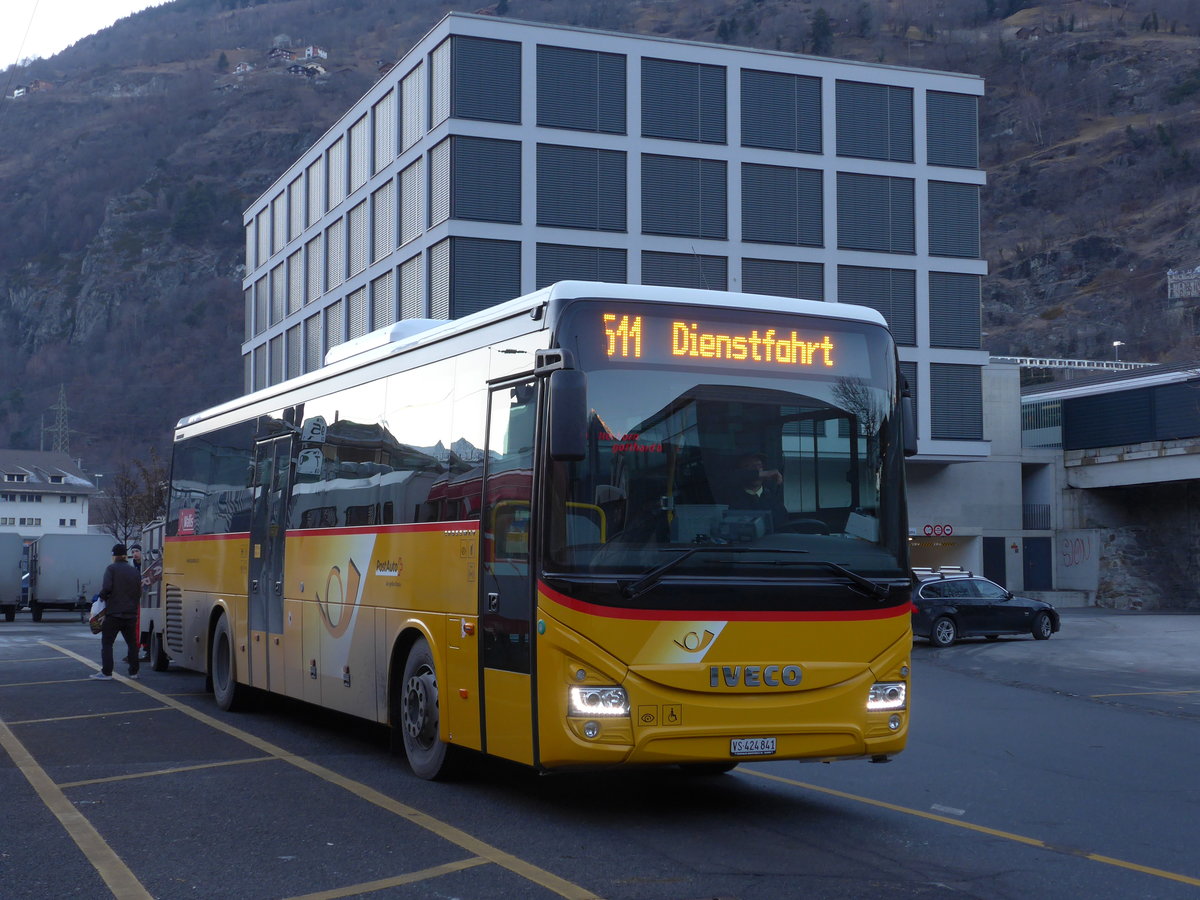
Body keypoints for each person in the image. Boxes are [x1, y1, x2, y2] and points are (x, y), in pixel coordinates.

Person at [90, 544, 141, 681]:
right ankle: (134, 672)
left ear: (114, 555)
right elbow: (139, 592)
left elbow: (107, 588)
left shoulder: (111, 569)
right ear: (125, 555)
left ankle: (107, 672)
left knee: (107, 643)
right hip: (130, 614)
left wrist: (100, 597)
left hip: (114, 613)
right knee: (132, 643)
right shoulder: (134, 571)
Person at [720, 452, 789, 528]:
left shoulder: (772, 498)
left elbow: (783, 525)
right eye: (748, 466)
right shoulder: (731, 497)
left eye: (759, 466)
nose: (756, 469)